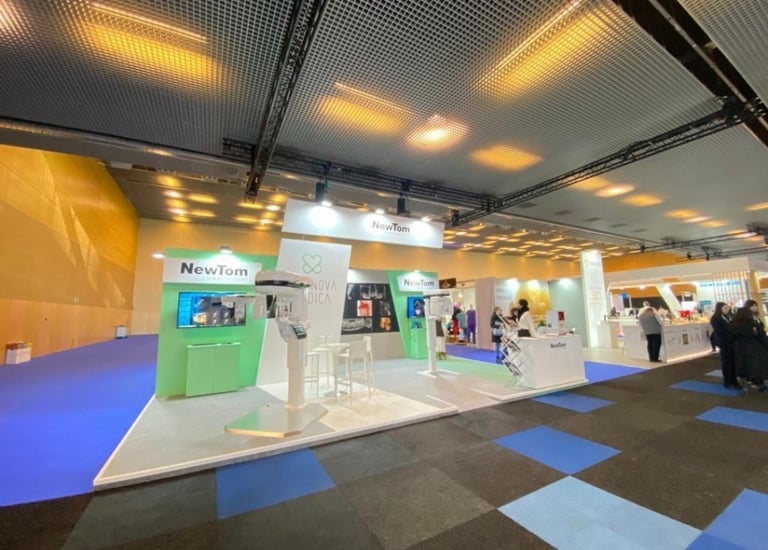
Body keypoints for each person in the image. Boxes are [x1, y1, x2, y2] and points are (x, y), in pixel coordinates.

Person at [732, 299, 768, 391]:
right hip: (752, 346)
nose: (755, 308)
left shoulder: (736, 323)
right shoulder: (751, 322)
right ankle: (756, 382)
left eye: (756, 305)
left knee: (748, 365)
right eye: (753, 306)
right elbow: (759, 334)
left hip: (743, 347)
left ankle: (750, 380)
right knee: (756, 365)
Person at [710, 302, 739, 389]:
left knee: (733, 362)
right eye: (725, 308)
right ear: (720, 308)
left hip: (732, 342)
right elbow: (718, 331)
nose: (727, 310)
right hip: (724, 343)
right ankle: (728, 381)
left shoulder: (728, 316)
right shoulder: (715, 318)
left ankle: (734, 380)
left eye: (727, 308)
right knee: (727, 363)